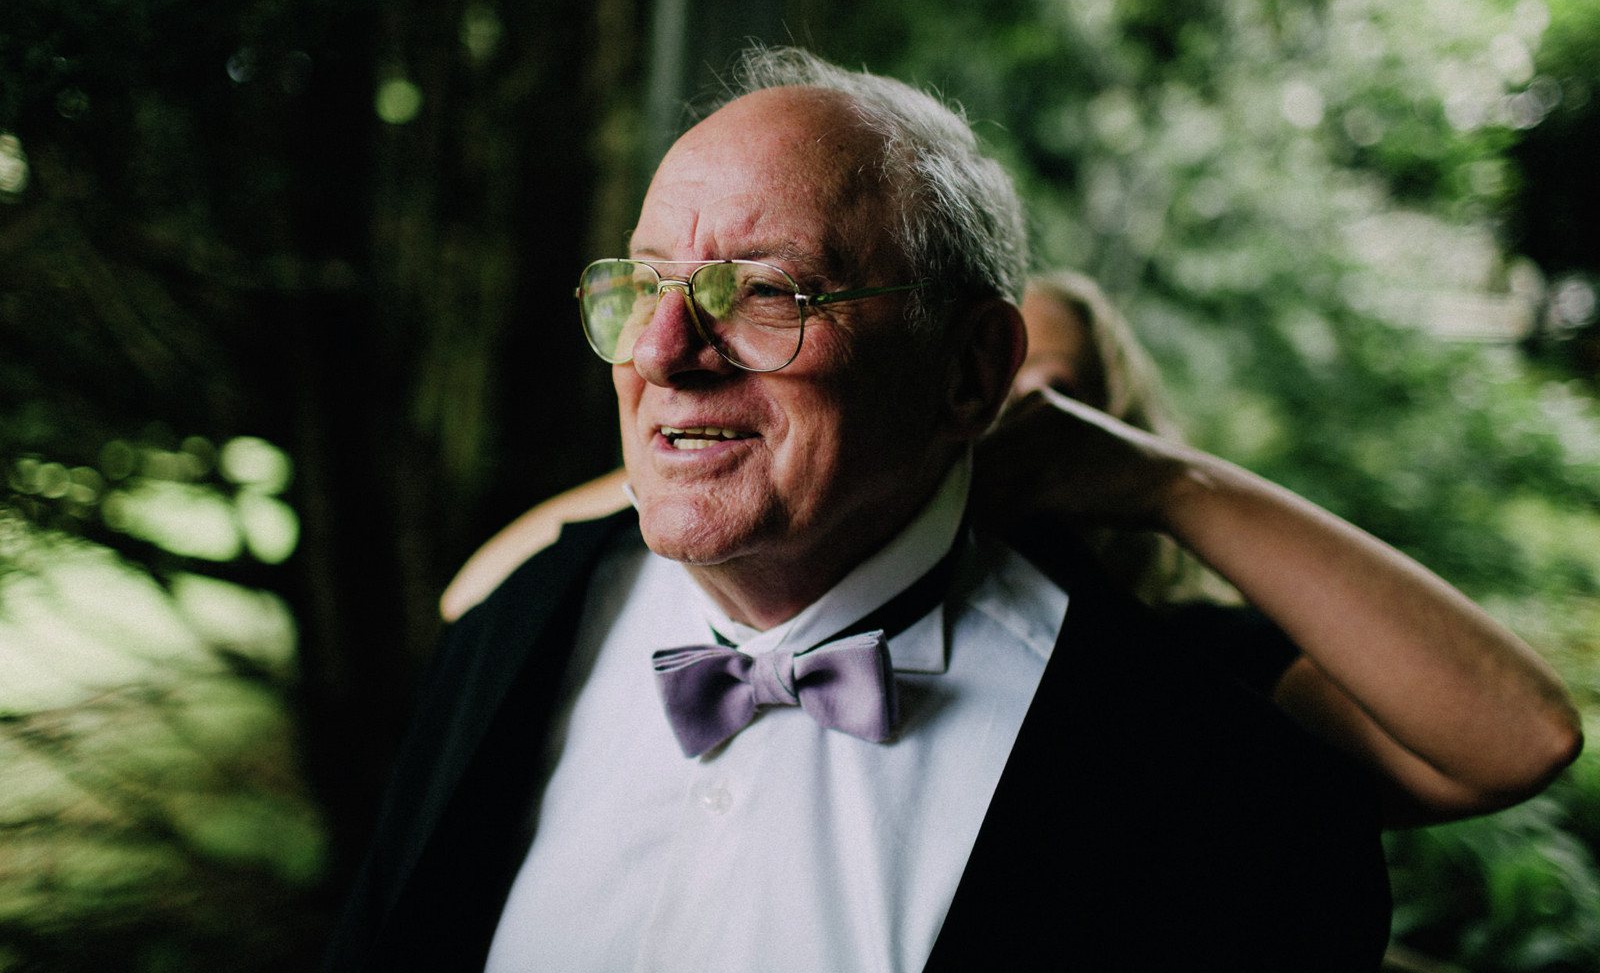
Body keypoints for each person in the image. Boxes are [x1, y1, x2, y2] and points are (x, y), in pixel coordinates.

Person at [319, 48, 1579, 973]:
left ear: (971, 377)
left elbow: (1515, 737)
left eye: (765, 293)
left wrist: (1160, 483)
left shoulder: (1181, 756)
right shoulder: (528, 629)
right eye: (643, 285)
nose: (658, 349)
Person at [445, 269, 1582, 828]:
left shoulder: (1184, 671)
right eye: (991, 382)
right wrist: (705, 462)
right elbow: (477, 609)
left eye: (1055, 389)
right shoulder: (763, 615)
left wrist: (1161, 484)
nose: (1007, 418)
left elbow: (1518, 739)